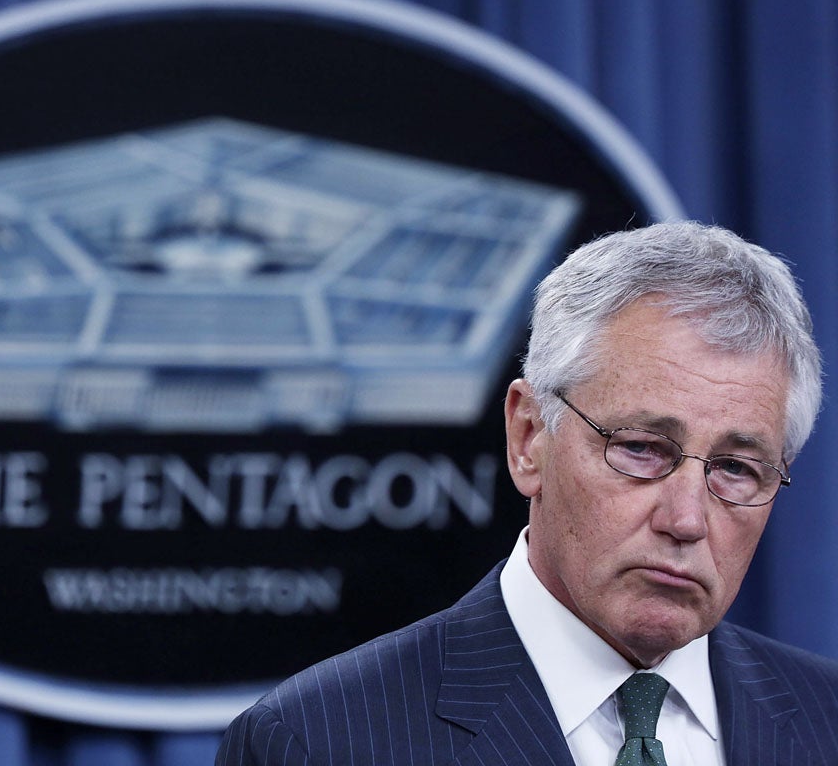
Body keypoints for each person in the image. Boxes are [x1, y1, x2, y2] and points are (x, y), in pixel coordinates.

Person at [215, 221, 838, 765]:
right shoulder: (315, 743)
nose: (686, 520)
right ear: (528, 437)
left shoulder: (826, 721)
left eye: (734, 468)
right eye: (642, 449)